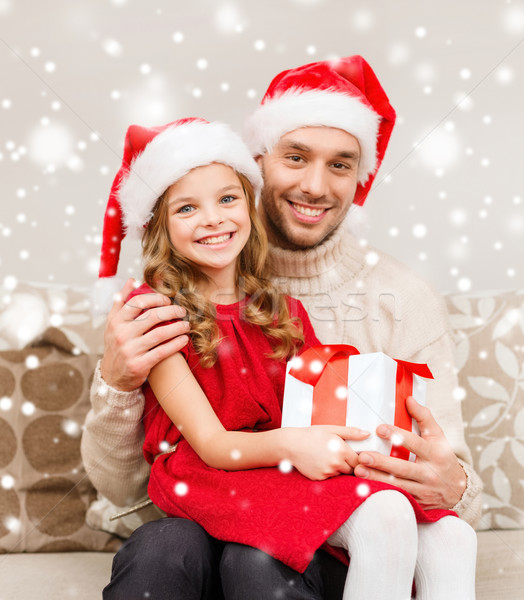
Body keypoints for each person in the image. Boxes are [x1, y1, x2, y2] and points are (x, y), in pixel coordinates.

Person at [82, 56, 482, 599]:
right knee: (164, 548)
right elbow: (133, 482)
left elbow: (326, 406)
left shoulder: (298, 308)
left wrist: (450, 486)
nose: (315, 185)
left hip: (295, 499)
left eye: (340, 164)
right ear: (259, 164)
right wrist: (116, 383)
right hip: (205, 496)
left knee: (274, 559)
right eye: (296, 157)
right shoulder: (157, 312)